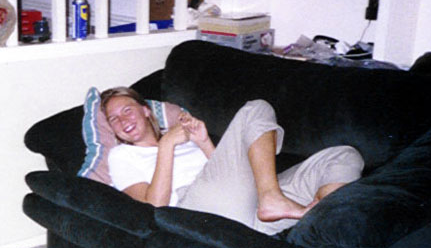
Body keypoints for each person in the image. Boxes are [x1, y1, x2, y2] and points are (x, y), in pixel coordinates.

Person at [101, 87, 364, 235]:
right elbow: (153, 207)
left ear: (145, 111)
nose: (123, 120)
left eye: (127, 110)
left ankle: (319, 222)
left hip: (245, 208)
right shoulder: (121, 156)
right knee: (256, 108)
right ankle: (272, 198)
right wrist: (167, 145)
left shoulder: (184, 136)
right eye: (114, 119)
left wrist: (204, 142)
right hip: (193, 209)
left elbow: (232, 178)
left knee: (344, 156)